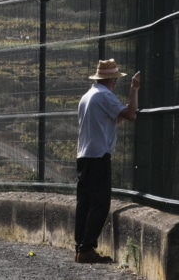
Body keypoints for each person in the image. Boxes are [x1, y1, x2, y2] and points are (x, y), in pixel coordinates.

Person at [75, 59, 140, 263]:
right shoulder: (105, 96)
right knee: (100, 204)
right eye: (116, 80)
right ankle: (86, 249)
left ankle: (80, 246)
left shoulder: (87, 96)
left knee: (84, 203)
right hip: (98, 156)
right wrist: (134, 89)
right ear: (112, 80)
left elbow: (110, 119)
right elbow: (131, 114)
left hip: (83, 155)